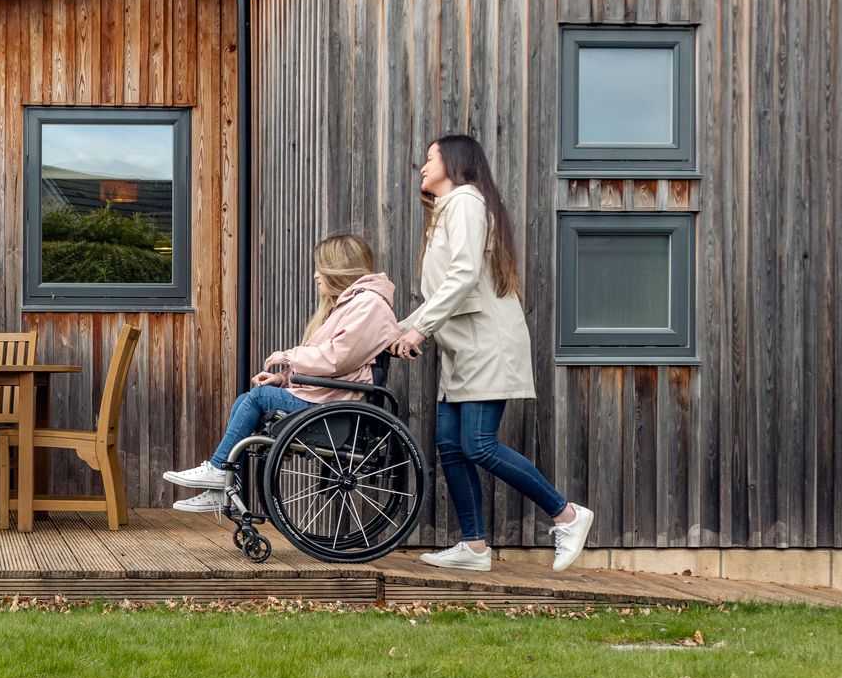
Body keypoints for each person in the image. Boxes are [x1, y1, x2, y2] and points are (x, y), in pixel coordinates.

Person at [390, 134, 594, 572]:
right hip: (463, 350)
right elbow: (443, 289)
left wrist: (419, 330)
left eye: (430, 158)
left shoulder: (465, 201)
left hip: (485, 346)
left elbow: (462, 275)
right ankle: (474, 546)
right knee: (450, 444)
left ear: (454, 162)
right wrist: (402, 328)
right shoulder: (448, 211)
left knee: (478, 445)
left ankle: (567, 515)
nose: (422, 167)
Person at [164, 233, 402, 511]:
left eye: (320, 268)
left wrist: (289, 357)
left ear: (338, 269)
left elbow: (337, 359)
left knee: (258, 398)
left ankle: (219, 470)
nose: (315, 275)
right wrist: (283, 378)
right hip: (327, 397)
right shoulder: (354, 304)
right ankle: (222, 486)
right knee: (249, 398)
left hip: (337, 407)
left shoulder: (369, 305)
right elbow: (336, 365)